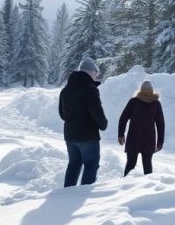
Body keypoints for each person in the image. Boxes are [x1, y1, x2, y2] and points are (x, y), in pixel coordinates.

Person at [59, 57, 108, 187]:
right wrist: (103, 124)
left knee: (74, 164)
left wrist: (73, 121)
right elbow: (97, 112)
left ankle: (66, 195)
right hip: (88, 136)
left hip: (70, 136)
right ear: (91, 72)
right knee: (91, 165)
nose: (96, 75)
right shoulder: (90, 89)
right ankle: (83, 196)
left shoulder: (65, 90)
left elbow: (62, 114)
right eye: (96, 73)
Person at [118, 80, 165, 176]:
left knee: (140, 165)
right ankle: (134, 186)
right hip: (144, 138)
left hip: (137, 138)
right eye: (146, 90)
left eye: (149, 89)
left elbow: (160, 123)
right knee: (136, 165)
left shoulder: (152, 103)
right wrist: (120, 134)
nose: (148, 91)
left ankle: (127, 185)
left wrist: (121, 134)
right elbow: (123, 118)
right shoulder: (135, 102)